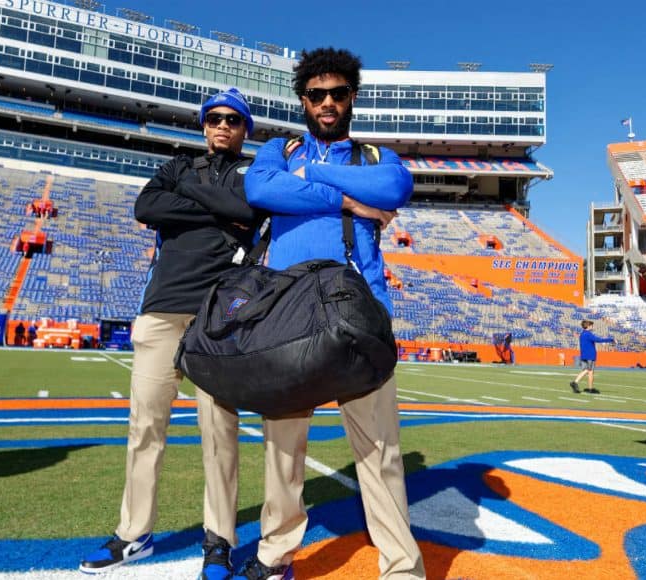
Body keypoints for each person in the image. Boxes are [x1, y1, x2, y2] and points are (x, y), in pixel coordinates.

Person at [237, 47, 426, 579]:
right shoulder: (279, 147)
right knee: (283, 448)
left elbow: (394, 189)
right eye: (317, 94)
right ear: (303, 99)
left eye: (337, 93)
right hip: (286, 310)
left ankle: (401, 567)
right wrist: (347, 203)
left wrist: (314, 182)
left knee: (380, 450)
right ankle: (276, 557)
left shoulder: (372, 157)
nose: (326, 102)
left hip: (359, 310)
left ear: (351, 98)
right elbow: (260, 188)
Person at [79, 88, 264, 576]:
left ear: (245, 129)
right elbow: (147, 209)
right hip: (162, 309)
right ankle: (133, 533)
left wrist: (200, 198)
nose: (222, 125)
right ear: (204, 127)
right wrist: (217, 209)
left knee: (219, 432)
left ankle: (219, 541)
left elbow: (249, 215)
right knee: (144, 428)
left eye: (233, 119)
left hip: (219, 315)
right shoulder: (176, 165)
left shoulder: (253, 176)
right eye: (214, 119)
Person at [569, 319, 614, 394]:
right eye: (591, 325)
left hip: (584, 355)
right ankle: (575, 382)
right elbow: (598, 340)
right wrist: (610, 339)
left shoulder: (582, 334)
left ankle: (590, 388)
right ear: (588, 326)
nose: (592, 327)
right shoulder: (588, 334)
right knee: (588, 370)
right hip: (590, 355)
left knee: (590, 372)